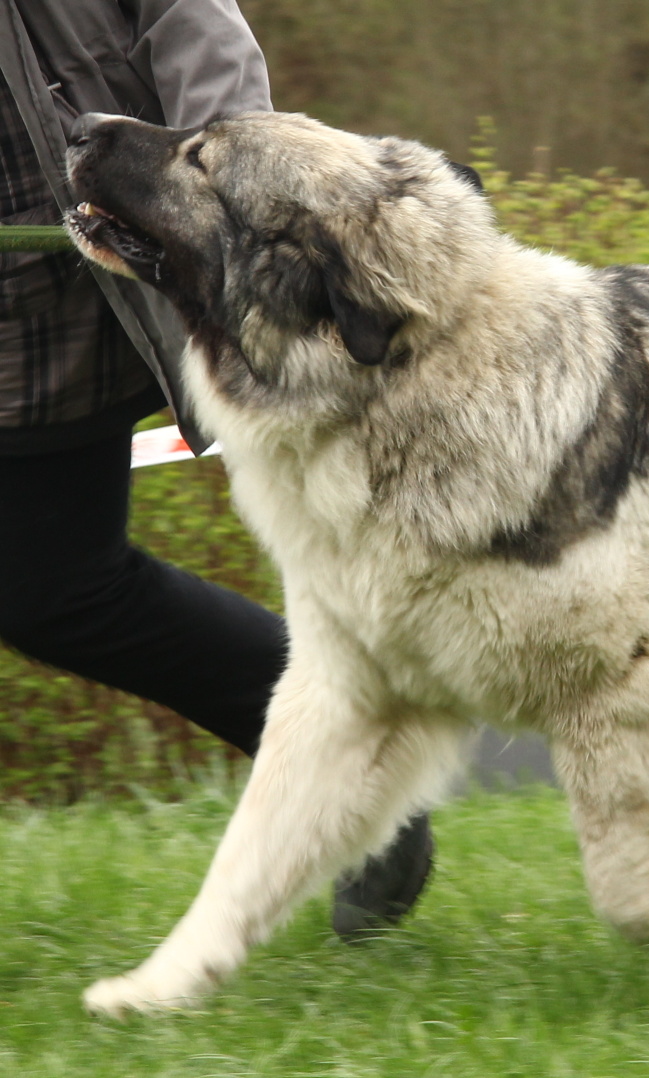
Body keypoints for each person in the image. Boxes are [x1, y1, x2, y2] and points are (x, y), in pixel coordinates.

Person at [0, 0, 433, 937]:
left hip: (58, 299)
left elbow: (195, 30)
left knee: (56, 590)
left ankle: (349, 759)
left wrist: (225, 197)